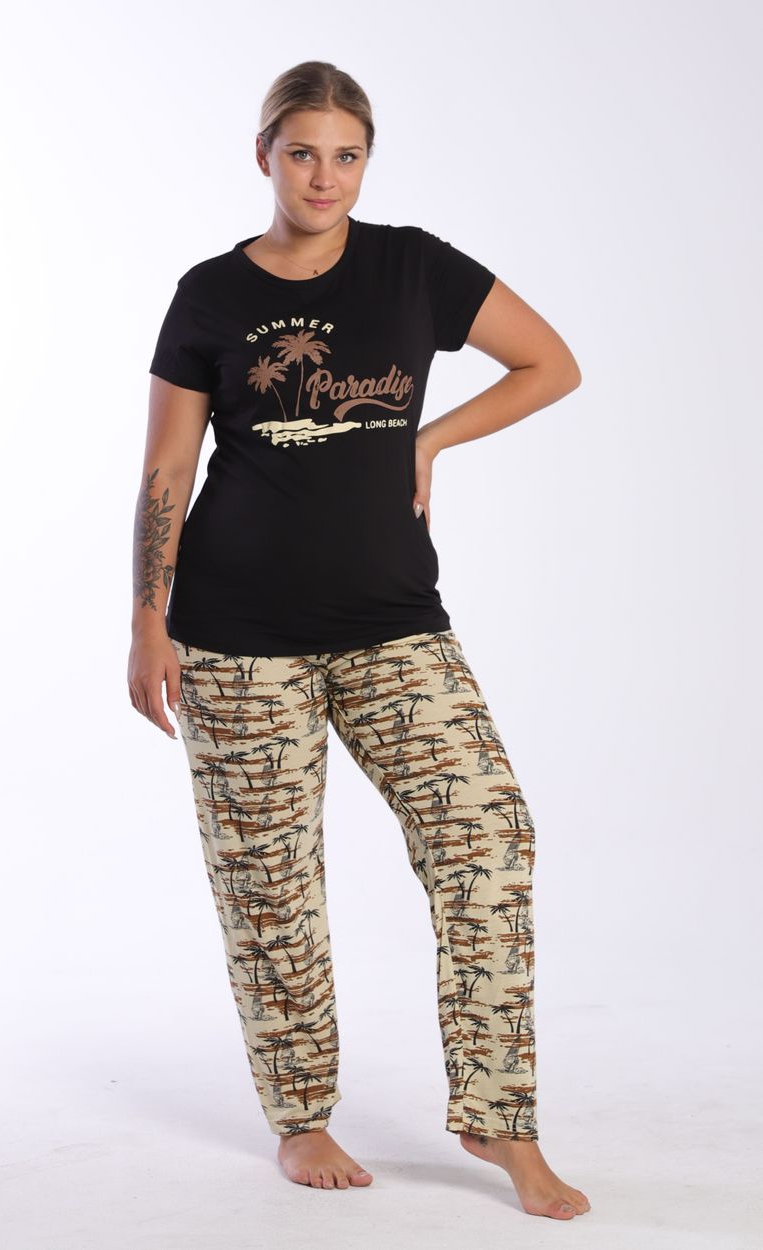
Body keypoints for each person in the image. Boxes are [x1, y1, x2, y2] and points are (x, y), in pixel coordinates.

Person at [128, 60, 588, 1219]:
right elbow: (168, 467)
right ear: (264, 156)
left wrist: (427, 439)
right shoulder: (208, 294)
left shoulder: (413, 267)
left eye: (345, 155)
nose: (322, 176)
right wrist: (146, 618)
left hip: (390, 622)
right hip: (233, 634)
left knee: (488, 834)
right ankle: (301, 1118)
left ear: (365, 161)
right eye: (301, 152)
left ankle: (497, 1113)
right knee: (269, 885)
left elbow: (549, 363)